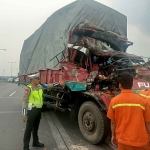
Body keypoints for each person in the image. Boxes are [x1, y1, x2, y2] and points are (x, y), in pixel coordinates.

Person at [107, 72, 150, 150]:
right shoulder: (142, 101)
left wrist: (113, 135)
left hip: (123, 141)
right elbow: (148, 123)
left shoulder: (114, 101)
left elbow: (113, 122)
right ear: (132, 84)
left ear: (120, 85)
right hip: (141, 142)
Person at [22, 73, 64, 150]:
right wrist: (24, 114)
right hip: (32, 111)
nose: (39, 80)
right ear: (33, 80)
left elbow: (48, 86)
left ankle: (35, 142)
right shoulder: (28, 88)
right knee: (29, 129)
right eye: (38, 79)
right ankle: (26, 147)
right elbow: (24, 101)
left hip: (38, 110)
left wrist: (59, 83)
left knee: (36, 128)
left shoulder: (40, 87)